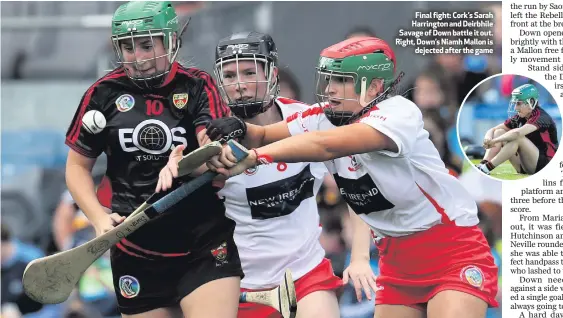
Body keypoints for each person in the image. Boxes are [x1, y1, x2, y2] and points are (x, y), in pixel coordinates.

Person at [203, 36, 498, 318]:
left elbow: (325, 145)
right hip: (395, 260)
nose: (330, 89)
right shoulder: (324, 116)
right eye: (328, 79)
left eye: (342, 81)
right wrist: (239, 129)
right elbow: (264, 134)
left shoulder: (398, 113)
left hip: (450, 249)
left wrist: (255, 157)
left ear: (375, 87)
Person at [64, 2, 243, 317]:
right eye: (128, 47)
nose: (139, 57)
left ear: (171, 40)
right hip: (136, 250)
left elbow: (210, 141)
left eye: (147, 45)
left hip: (202, 244)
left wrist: (189, 159)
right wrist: (98, 218)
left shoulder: (197, 85)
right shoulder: (102, 94)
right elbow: (77, 168)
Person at [158, 31, 342, 318]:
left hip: (306, 275)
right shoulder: (203, 135)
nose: (240, 85)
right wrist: (182, 167)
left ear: (272, 74)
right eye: (230, 76)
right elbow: (189, 178)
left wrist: (357, 257)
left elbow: (355, 181)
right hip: (235, 284)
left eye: (248, 72)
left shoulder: (310, 121)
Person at [476, 83, 558, 175]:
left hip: (544, 164)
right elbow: (493, 130)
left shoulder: (542, 117)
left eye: (518, 103)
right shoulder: (521, 116)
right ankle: (483, 164)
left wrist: (494, 140)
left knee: (517, 138)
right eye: (515, 103)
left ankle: (487, 168)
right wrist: (488, 138)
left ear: (531, 102)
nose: (515, 108)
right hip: (526, 164)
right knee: (499, 132)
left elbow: (517, 134)